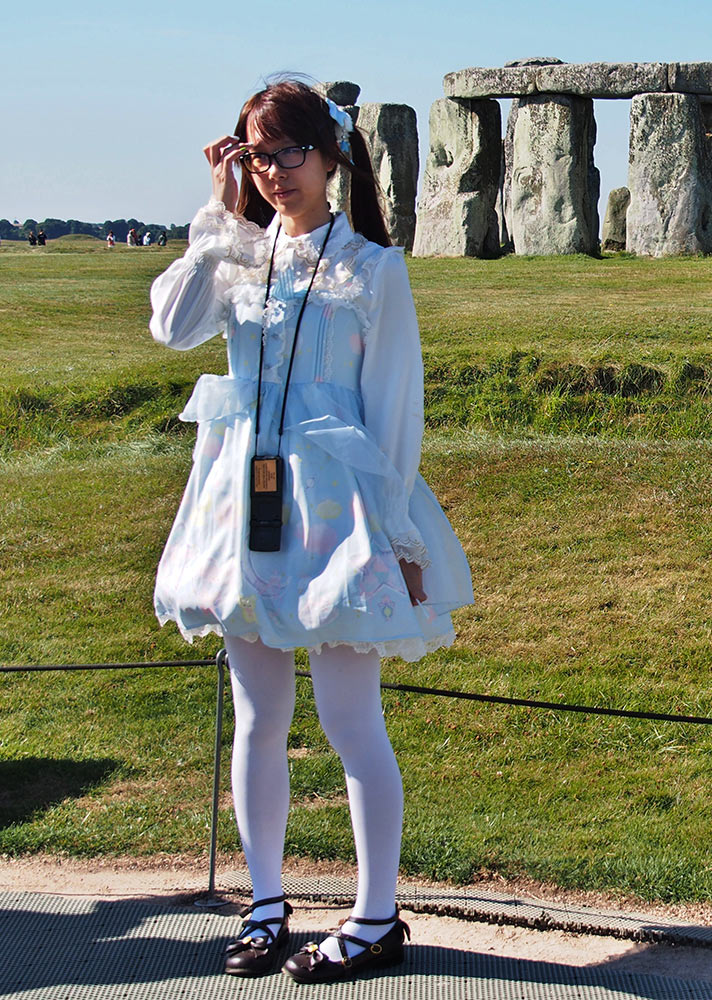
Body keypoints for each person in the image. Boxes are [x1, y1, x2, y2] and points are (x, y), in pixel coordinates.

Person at [148, 76, 473, 983]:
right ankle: (264, 904)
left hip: (338, 510)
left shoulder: (372, 267)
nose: (274, 171)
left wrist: (403, 539)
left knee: (349, 718)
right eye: (257, 155)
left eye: (290, 152)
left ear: (331, 155)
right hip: (239, 506)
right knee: (258, 715)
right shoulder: (236, 256)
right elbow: (171, 328)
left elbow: (395, 411)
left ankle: (375, 917)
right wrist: (217, 220)